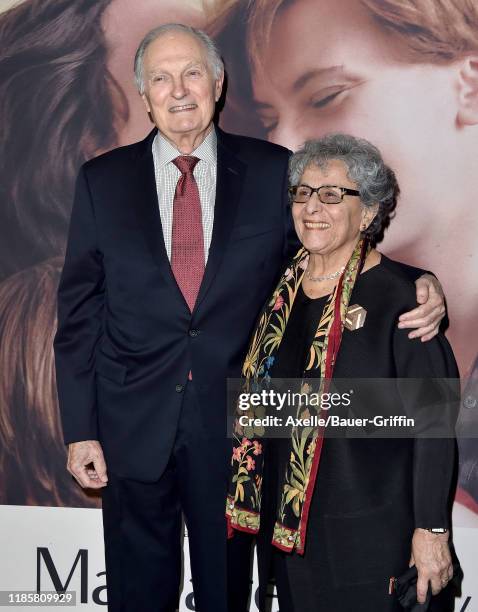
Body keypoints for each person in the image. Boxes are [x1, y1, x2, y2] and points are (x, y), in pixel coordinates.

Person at [54, 23, 447, 612]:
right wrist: (81, 427)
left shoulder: (272, 172)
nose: (178, 90)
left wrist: (419, 281)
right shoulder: (101, 182)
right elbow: (80, 314)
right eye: (160, 78)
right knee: (136, 596)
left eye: (192, 73)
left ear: (218, 81)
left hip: (240, 436)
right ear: (144, 94)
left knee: (227, 594)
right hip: (131, 429)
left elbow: (333, 244)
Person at [227, 134, 459, 612]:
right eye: (303, 192)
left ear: (369, 212)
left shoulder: (404, 300)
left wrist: (432, 528)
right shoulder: (277, 294)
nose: (313, 206)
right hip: (290, 539)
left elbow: (435, 425)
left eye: (333, 194)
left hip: (376, 540)